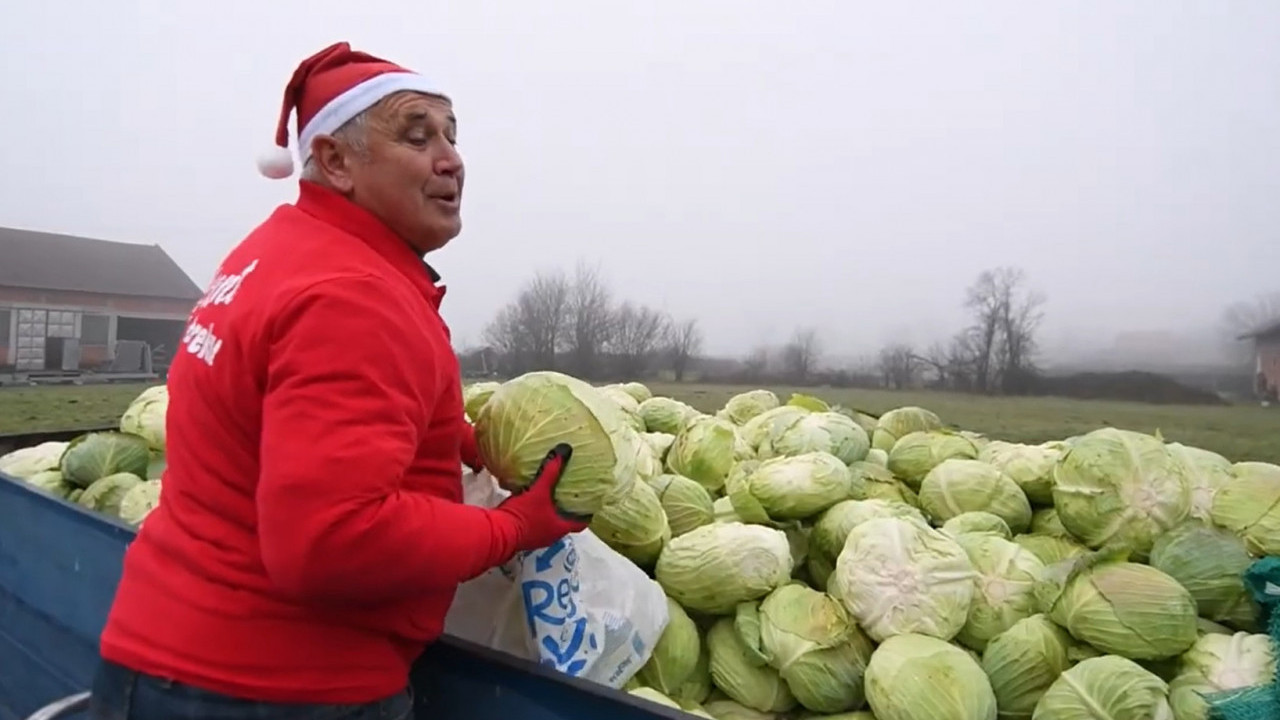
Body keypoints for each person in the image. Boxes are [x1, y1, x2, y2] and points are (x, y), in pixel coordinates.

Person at [88, 41, 590, 720]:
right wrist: (508, 529)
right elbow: (332, 540)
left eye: (452, 135)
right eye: (418, 136)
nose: (451, 158)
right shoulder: (353, 294)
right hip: (273, 687)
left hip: (171, 654)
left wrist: (448, 440)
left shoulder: (276, 251)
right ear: (333, 160)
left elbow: (291, 421)